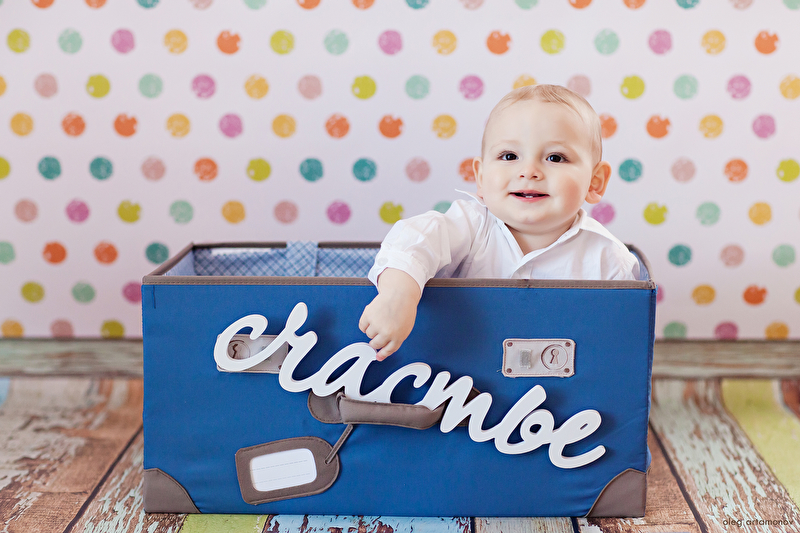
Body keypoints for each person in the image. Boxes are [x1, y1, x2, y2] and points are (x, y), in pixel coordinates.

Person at [359, 84, 640, 360]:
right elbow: (415, 240)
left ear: (595, 181)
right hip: (459, 372)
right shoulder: (471, 226)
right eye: (509, 156)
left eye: (555, 157)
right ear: (481, 177)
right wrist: (399, 295)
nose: (529, 171)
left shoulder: (609, 260)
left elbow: (617, 348)